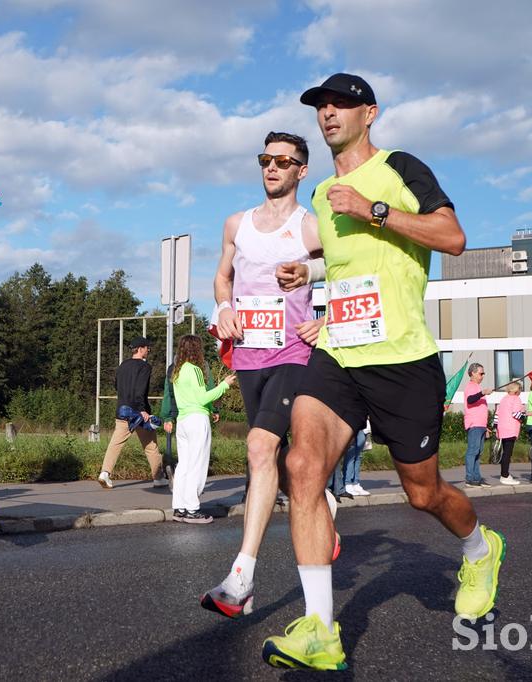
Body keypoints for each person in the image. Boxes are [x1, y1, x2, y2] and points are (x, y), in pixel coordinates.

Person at [261, 73, 505, 672]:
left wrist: (374, 209)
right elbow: (350, 267)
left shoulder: (401, 168)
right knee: (302, 466)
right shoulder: (321, 193)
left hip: (402, 358)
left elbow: (451, 236)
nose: (328, 113)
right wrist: (308, 275)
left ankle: (480, 548)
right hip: (340, 352)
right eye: (320, 105)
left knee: (423, 493)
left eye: (340, 103)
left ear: (369, 112)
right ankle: (320, 628)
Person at [201, 131, 338, 619]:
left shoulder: (311, 228)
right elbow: (223, 276)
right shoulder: (236, 224)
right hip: (248, 355)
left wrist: (328, 318)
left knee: (258, 447)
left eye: (284, 160)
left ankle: (241, 578)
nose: (273, 167)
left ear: (302, 171)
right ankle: (322, 508)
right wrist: (223, 306)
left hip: (293, 354)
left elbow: (351, 269)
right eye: (266, 159)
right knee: (275, 461)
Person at [170, 335, 236, 523]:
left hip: (182, 420)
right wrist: (224, 385)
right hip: (197, 420)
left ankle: (179, 507)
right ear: (196, 350)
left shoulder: (177, 371)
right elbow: (201, 398)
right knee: (197, 465)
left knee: (183, 465)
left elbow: (189, 398)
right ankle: (192, 508)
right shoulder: (196, 370)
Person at [97, 337, 166, 489]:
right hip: (139, 414)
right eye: (147, 348)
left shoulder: (123, 365)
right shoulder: (144, 367)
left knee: (115, 444)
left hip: (122, 411)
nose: (148, 350)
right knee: (151, 446)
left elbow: (117, 385)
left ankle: (105, 473)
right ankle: (159, 478)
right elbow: (140, 389)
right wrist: (142, 409)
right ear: (140, 349)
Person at [463, 363, 493, 488]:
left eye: (483, 373)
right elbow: (470, 400)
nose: (483, 376)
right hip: (474, 424)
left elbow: (480, 409)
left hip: (480, 425)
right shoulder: (471, 386)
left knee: (478, 452)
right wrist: (482, 393)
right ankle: (470, 479)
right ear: (473, 373)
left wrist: (485, 427)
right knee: (473, 451)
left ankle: (477, 478)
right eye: (481, 373)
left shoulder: (476, 387)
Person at [495, 381, 524, 485]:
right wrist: (525, 415)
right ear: (517, 390)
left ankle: (505, 474)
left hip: (502, 428)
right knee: (508, 453)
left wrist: (496, 427)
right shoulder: (516, 399)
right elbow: (516, 414)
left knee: (505, 452)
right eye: (520, 389)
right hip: (511, 428)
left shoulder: (503, 399)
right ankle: (504, 475)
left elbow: (496, 415)